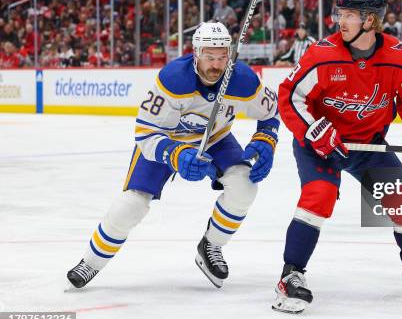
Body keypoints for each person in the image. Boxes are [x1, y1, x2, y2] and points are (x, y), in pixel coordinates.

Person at [272, 0, 402, 314]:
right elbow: (290, 96)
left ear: (370, 20)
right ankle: (291, 275)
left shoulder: (400, 58)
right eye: (340, 14)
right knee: (319, 195)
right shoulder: (322, 53)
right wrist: (314, 129)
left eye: (348, 15)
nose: (339, 21)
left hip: (368, 144)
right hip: (320, 144)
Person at [66, 22, 280, 289]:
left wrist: (267, 138)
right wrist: (176, 155)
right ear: (196, 53)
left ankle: (211, 245)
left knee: (245, 187)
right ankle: (91, 262)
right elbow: (145, 134)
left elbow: (271, 111)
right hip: (166, 141)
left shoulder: (243, 79)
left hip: (215, 139)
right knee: (131, 204)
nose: (216, 65)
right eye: (209, 57)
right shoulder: (173, 79)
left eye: (222, 57)